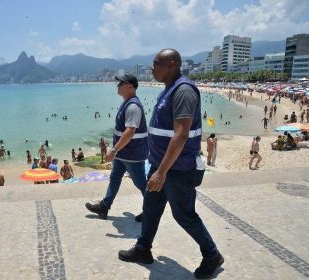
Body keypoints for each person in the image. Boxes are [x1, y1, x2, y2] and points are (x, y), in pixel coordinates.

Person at [118, 49, 223, 279]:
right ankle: (143, 249)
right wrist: (157, 168)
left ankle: (212, 254)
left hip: (177, 169)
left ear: (172, 64)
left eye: (156, 64)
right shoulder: (169, 89)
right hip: (160, 166)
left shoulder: (184, 91)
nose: (152, 68)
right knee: (151, 208)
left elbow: (181, 134)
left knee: (184, 215)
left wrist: (162, 172)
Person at [85, 74, 148, 222]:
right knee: (114, 179)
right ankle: (104, 206)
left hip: (132, 154)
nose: (117, 86)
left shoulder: (133, 106)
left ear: (130, 86)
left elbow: (130, 131)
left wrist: (114, 150)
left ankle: (151, 210)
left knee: (141, 183)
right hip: (123, 153)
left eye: (120, 83)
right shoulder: (126, 103)